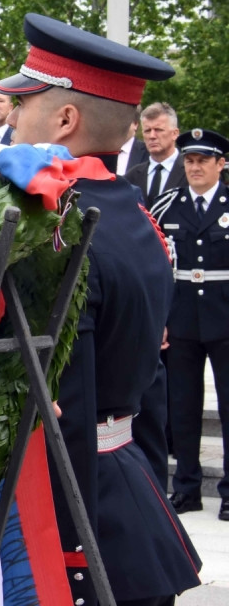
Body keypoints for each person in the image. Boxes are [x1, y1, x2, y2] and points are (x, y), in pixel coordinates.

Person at [0, 12, 201, 605]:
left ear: (64, 120)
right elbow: (150, 389)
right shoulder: (133, 218)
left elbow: (69, 400)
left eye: (23, 103)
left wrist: (67, 547)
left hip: (76, 508)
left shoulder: (58, 229)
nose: (10, 117)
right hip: (129, 489)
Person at [151, 128, 229, 522]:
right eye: (189, 160)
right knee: (182, 406)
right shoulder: (167, 205)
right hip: (180, 318)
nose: (195, 167)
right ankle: (186, 487)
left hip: (226, 317)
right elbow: (155, 263)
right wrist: (160, 317)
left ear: (222, 164)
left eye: (203, 160)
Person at [125, 102, 186, 208]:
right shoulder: (132, 176)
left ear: (175, 133)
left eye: (158, 130)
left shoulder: (190, 172)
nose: (152, 136)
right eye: (147, 131)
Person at [116, 108, 149, 176]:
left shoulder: (148, 152)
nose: (119, 125)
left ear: (135, 124)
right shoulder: (100, 150)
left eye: (124, 121)